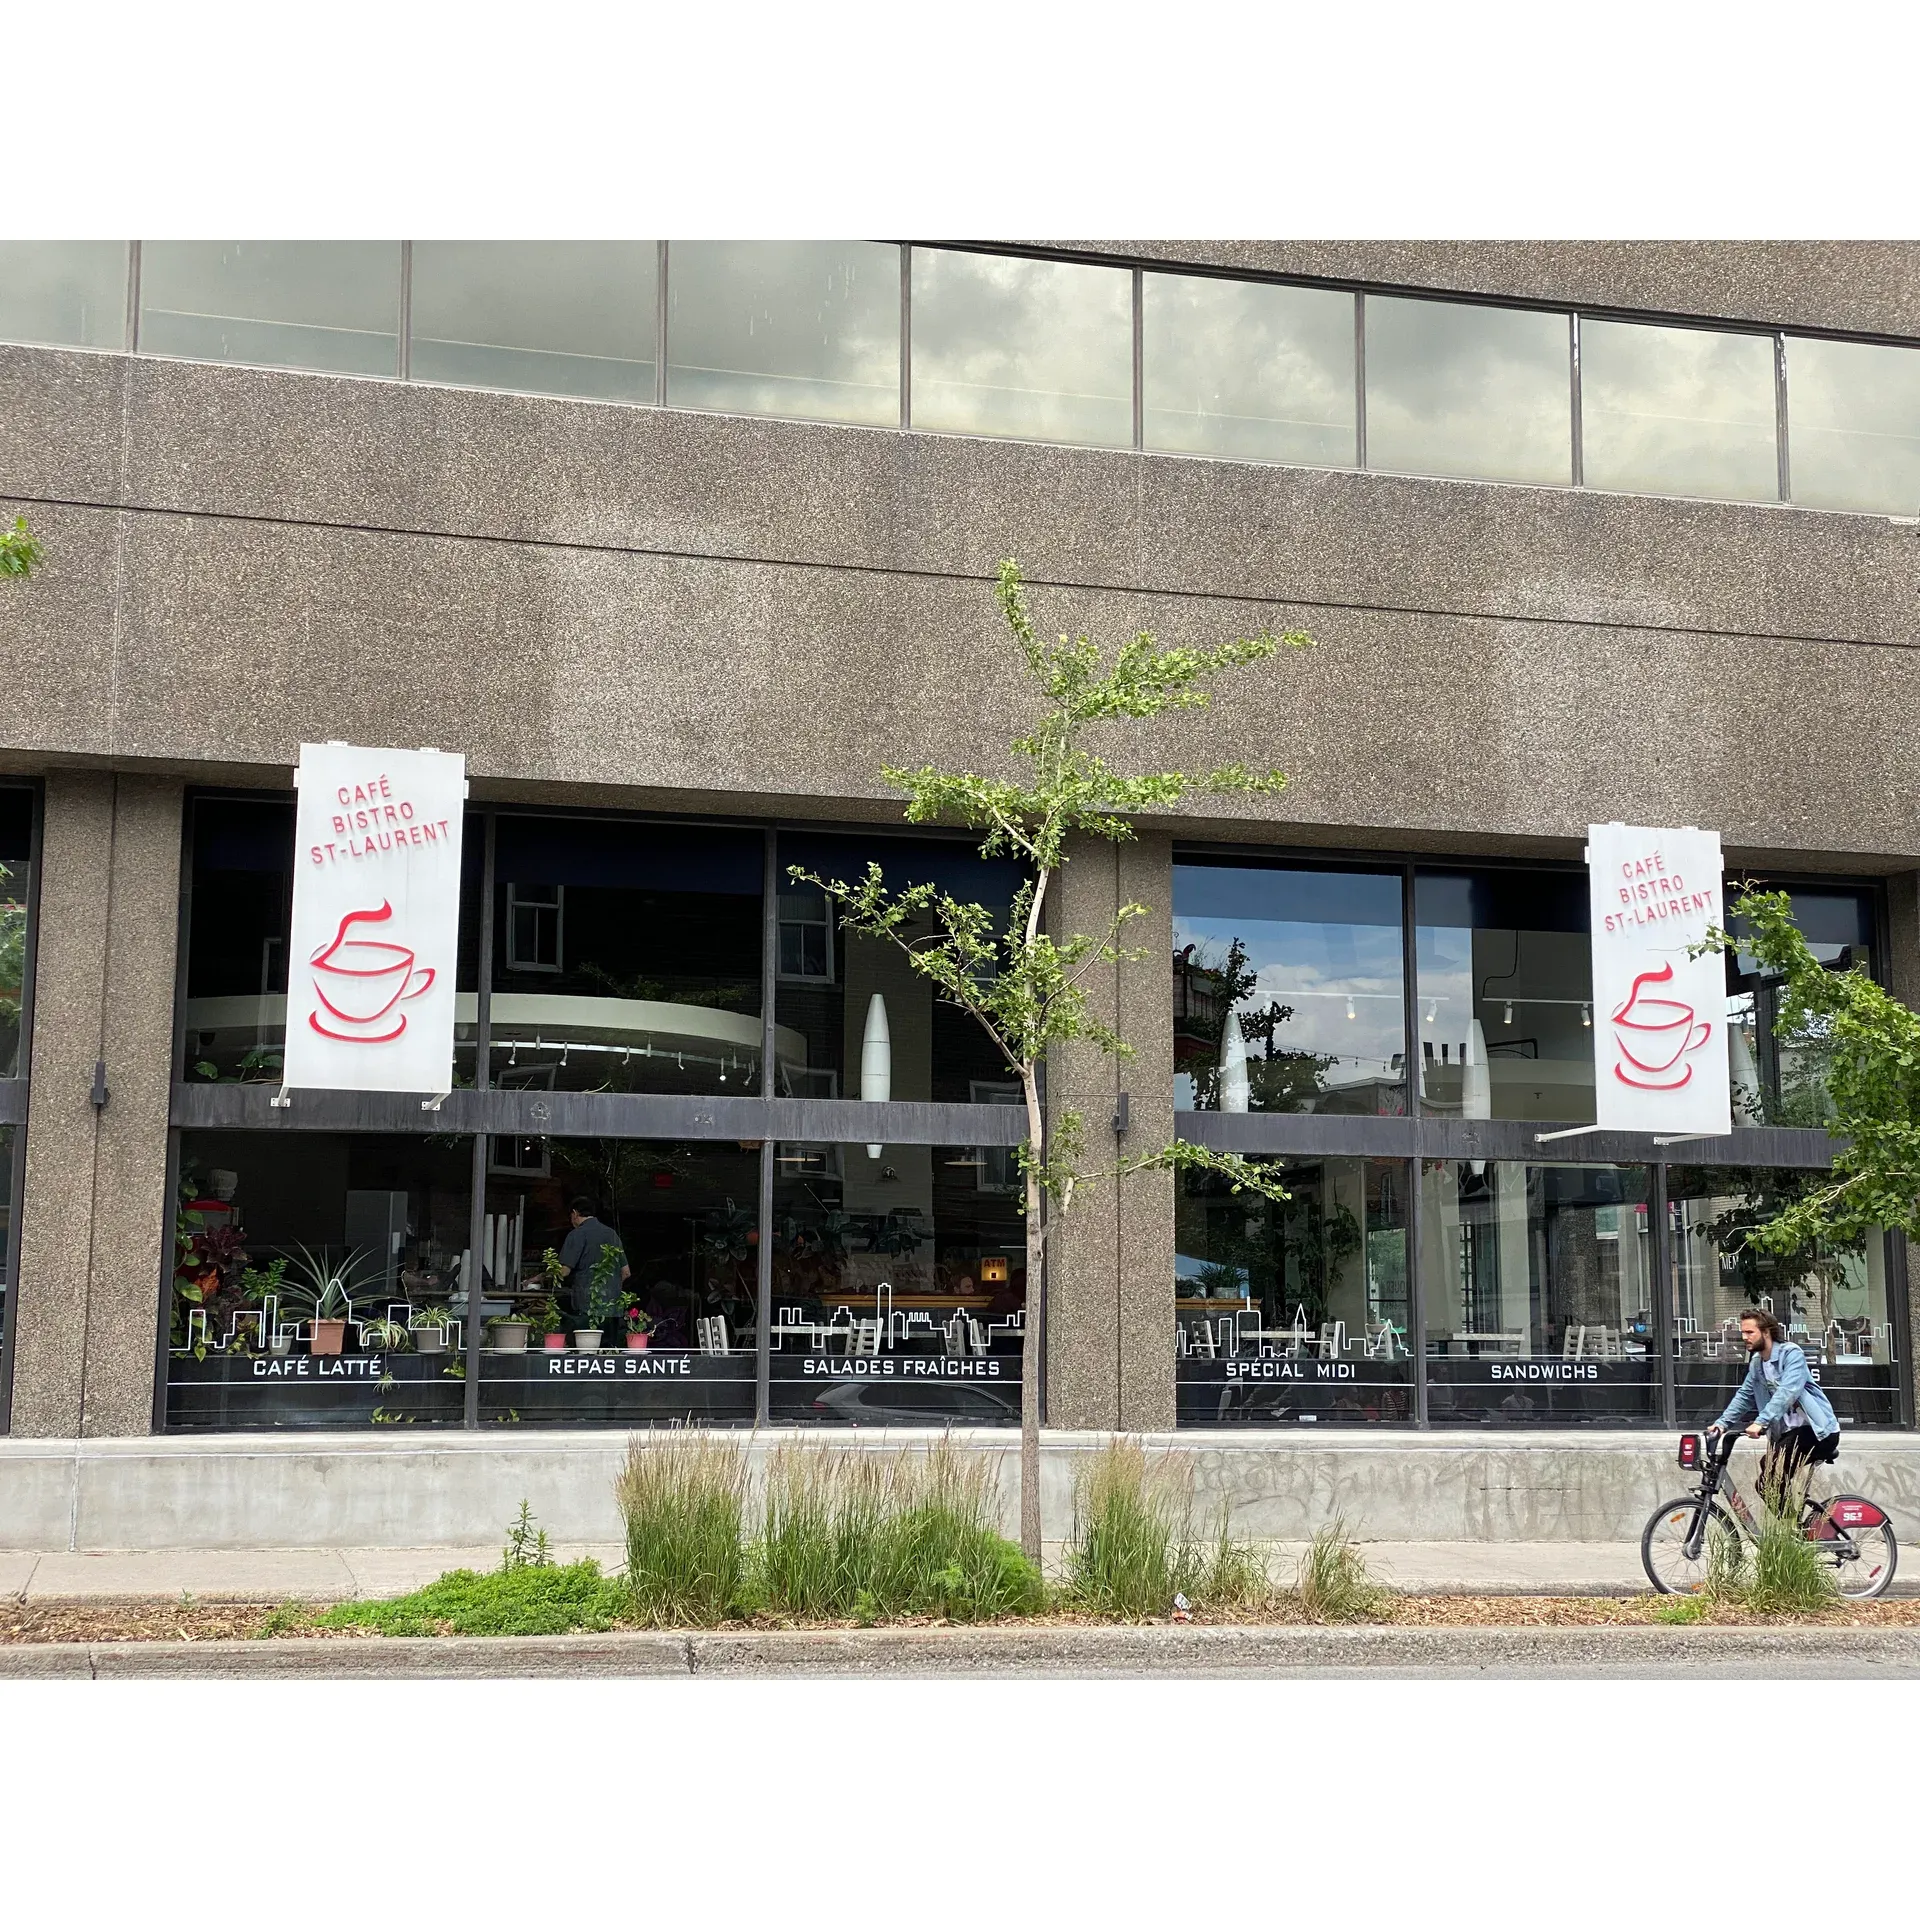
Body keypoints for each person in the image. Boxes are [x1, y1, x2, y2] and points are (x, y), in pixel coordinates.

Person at [1706, 1306, 1840, 1512]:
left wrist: (1761, 1421)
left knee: (1768, 1478)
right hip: (1790, 1435)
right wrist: (1722, 1424)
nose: (1744, 1337)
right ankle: (1792, 1523)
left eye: (1750, 1332)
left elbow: (1788, 1391)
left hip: (1817, 1432)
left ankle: (1791, 1527)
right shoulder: (1757, 1363)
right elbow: (1745, 1396)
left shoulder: (1791, 1354)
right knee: (1767, 1476)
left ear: (1766, 1332)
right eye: (1743, 1332)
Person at [557, 1197, 629, 1327]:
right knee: (609, 1340)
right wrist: (612, 1289)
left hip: (586, 1306)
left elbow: (563, 1272)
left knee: (585, 1340)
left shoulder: (577, 1234)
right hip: (613, 1308)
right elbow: (626, 1272)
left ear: (575, 1213)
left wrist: (540, 1277)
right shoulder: (612, 1234)